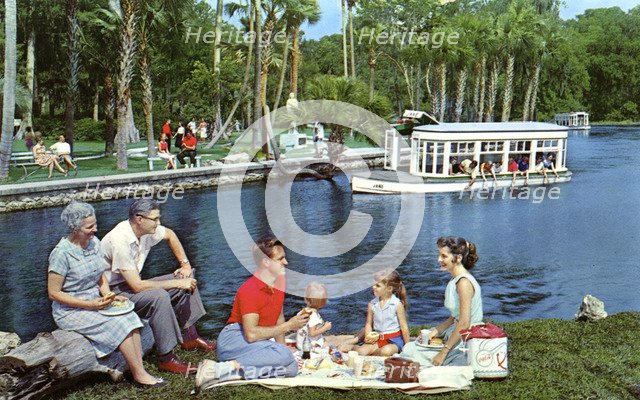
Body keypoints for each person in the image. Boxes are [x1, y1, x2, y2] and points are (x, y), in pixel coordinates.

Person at [48, 202, 167, 388]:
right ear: (74, 228)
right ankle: (140, 375)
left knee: (130, 316)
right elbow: (54, 293)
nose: (95, 229)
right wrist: (89, 305)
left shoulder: (93, 243)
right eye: (90, 227)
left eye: (95, 224)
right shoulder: (61, 254)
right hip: (71, 310)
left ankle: (137, 369)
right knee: (120, 324)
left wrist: (109, 295)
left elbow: (99, 275)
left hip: (96, 301)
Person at [101, 199, 215, 375]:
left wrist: (184, 264)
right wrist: (177, 283)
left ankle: (190, 336)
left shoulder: (145, 230)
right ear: (139, 219)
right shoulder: (119, 240)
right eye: (154, 219)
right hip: (116, 293)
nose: (158, 223)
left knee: (187, 275)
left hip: (130, 285)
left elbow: (170, 234)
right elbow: (137, 286)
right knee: (159, 296)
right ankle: (166, 358)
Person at [194, 238, 309, 390]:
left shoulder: (279, 281)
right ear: (266, 262)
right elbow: (251, 334)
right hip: (234, 339)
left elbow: (278, 316)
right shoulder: (249, 290)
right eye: (280, 259)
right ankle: (227, 366)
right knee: (284, 356)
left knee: (291, 368)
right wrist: (290, 326)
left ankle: (222, 372)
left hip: (253, 343)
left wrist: (283, 346)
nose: (286, 262)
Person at [400, 236, 483, 367]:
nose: (439, 259)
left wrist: (443, 353)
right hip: (456, 332)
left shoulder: (464, 283)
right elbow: (454, 317)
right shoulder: (455, 280)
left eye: (443, 256)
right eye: (439, 255)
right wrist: (436, 331)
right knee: (411, 347)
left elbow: (464, 323)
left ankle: (451, 358)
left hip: (466, 338)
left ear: (458, 258)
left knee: (409, 351)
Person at [353, 269, 410, 357]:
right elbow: (368, 324)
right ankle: (356, 348)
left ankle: (374, 352)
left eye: (377, 285)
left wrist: (408, 347)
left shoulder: (396, 304)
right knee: (361, 351)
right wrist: (368, 336)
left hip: (394, 340)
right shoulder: (372, 304)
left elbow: (404, 327)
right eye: (373, 285)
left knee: (385, 351)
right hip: (377, 339)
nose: (373, 287)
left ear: (389, 289)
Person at [295, 283, 332, 351]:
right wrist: (325, 328)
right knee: (333, 343)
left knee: (330, 338)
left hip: (300, 343)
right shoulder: (314, 316)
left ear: (306, 299)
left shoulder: (303, 311)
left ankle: (355, 337)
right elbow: (312, 333)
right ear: (323, 303)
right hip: (309, 346)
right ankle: (355, 339)